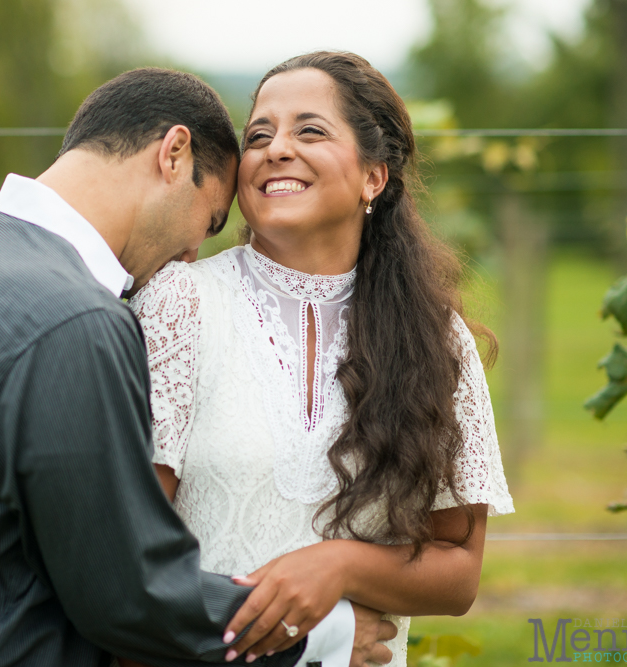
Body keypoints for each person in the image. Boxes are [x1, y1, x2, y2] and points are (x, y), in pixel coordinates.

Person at [0, 67, 394, 667]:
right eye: (211, 217)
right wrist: (316, 639)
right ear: (174, 155)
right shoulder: (75, 319)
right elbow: (125, 591)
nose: (195, 249)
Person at [128, 51, 515, 667]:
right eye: (259, 135)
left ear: (374, 177)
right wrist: (317, 637)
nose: (275, 148)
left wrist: (337, 565)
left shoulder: (434, 339)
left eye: (309, 130)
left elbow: (459, 571)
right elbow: (128, 556)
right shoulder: (179, 303)